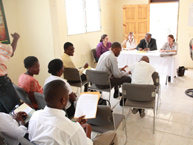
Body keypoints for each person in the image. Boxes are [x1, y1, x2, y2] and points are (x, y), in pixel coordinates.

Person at [28, 80, 93, 144]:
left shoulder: (34, 116)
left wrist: (76, 125)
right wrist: (88, 132)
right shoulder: (72, 130)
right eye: (68, 94)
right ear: (63, 100)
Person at [0, 32, 21, 113]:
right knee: (16, 110)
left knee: (3, 114)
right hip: (2, 84)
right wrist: (16, 38)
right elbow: (10, 52)